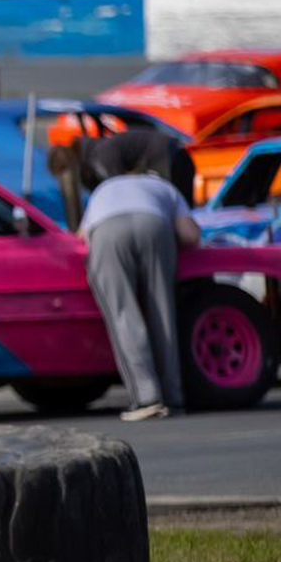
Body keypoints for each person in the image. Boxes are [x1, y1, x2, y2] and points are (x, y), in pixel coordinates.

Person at [80, 161, 201, 422]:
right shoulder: (164, 187)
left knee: (123, 314)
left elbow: (82, 236)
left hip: (108, 230)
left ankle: (147, 398)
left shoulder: (104, 188)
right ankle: (173, 398)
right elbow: (190, 235)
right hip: (155, 225)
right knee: (163, 311)